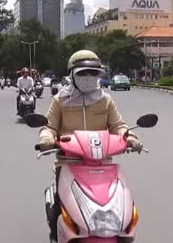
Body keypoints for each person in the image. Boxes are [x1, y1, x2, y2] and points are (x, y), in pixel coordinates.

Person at [38, 50, 142, 243]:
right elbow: (50, 126)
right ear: (72, 74)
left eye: (93, 73)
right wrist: (46, 137)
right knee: (55, 210)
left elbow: (119, 125)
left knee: (126, 208)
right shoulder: (60, 100)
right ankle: (56, 237)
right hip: (68, 162)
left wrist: (131, 137)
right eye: (83, 73)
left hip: (103, 163)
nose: (88, 78)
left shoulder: (105, 100)